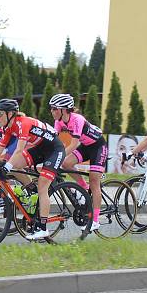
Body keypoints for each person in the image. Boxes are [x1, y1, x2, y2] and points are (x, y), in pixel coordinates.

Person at [0, 98, 66, 240]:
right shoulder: (8, 127)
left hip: (55, 149)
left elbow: (18, 150)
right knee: (13, 166)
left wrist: (6, 166)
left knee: (42, 186)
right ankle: (31, 190)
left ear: (10, 113)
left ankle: (43, 228)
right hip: (41, 148)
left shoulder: (23, 123)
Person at [49, 93, 107, 233]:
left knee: (94, 182)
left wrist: (58, 155)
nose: (51, 111)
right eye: (51, 108)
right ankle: (83, 187)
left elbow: (73, 144)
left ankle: (95, 220)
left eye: (54, 108)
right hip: (86, 146)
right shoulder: (59, 121)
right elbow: (53, 141)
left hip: (98, 146)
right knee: (66, 164)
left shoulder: (77, 119)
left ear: (64, 109)